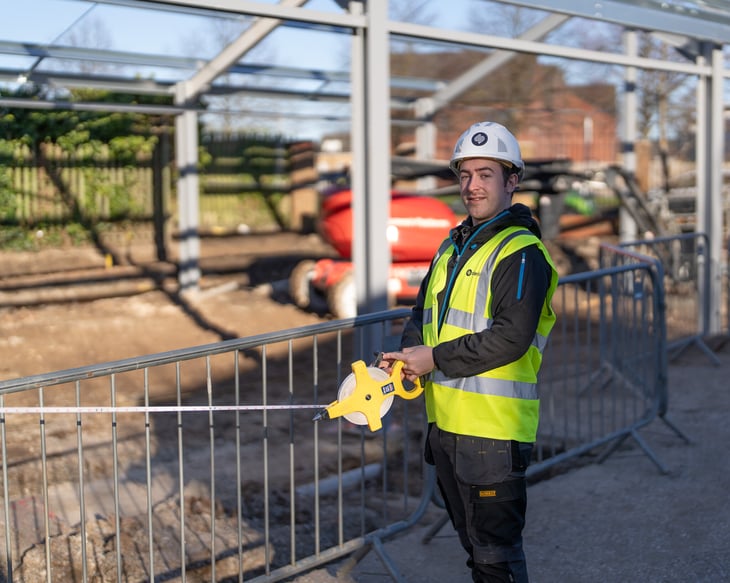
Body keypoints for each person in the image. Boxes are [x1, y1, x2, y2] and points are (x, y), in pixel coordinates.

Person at [380, 121, 559, 583]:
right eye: (465, 174)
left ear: (512, 180)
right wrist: (408, 358)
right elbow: (422, 315)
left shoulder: (521, 253)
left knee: (496, 559)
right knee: (475, 553)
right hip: (448, 428)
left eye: (485, 174)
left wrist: (434, 360)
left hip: (492, 434)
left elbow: (511, 337)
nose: (472, 186)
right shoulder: (451, 247)